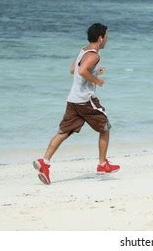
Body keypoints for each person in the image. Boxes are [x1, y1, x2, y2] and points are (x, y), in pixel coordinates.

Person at [33, 23, 120, 185]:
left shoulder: (84, 50)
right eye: (106, 37)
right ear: (101, 38)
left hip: (73, 99)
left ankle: (44, 162)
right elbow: (81, 71)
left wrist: (94, 71)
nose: (107, 39)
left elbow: (73, 69)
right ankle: (102, 164)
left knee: (64, 132)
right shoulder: (94, 55)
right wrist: (97, 81)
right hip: (85, 100)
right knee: (105, 127)